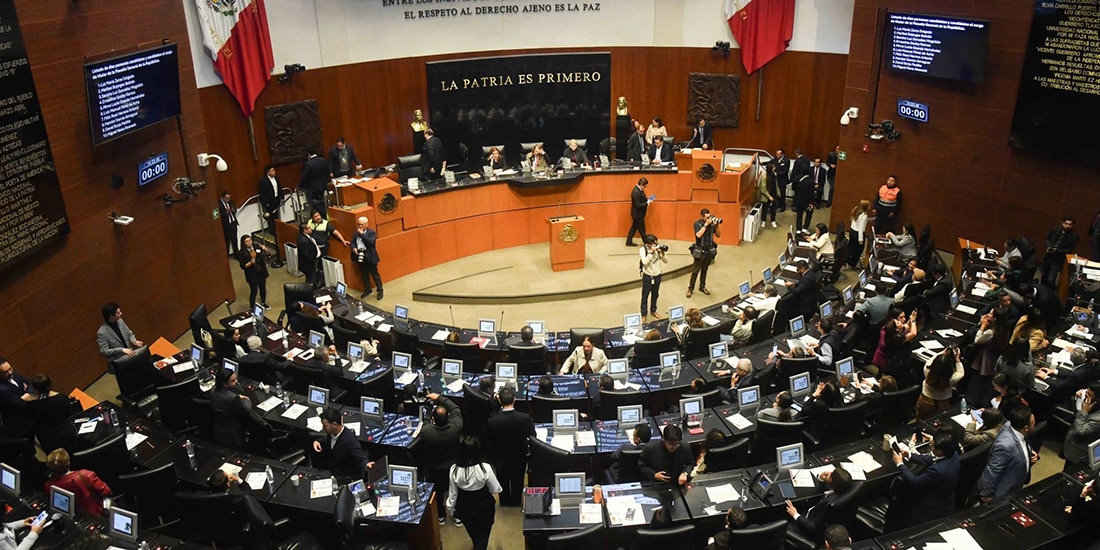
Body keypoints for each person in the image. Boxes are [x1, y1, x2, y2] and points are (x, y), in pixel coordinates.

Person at [412, 392, 464, 524]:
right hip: (453, 466)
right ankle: (457, 515)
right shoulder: (456, 427)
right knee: (455, 491)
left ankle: (441, 515)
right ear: (448, 418)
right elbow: (455, 409)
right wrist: (439, 398)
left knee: (438, 491)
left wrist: (429, 413)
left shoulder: (426, 431)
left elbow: (425, 421)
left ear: (433, 420)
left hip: (434, 468)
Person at [891, 428, 960, 525]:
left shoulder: (938, 470)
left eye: (932, 447)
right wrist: (910, 456)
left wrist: (900, 464)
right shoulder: (953, 454)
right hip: (946, 498)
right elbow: (933, 459)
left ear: (940, 451)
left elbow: (916, 482)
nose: (931, 447)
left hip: (932, 509)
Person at [446, 437, 501, 550]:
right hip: (484, 506)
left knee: (473, 532)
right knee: (484, 533)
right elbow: (495, 489)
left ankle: (477, 544)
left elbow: (453, 494)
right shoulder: (485, 468)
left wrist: (450, 509)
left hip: (464, 507)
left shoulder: (454, 469)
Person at [485, 386, 534, 506]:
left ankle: (505, 501)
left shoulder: (492, 421)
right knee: (518, 480)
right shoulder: (524, 418)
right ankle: (516, 501)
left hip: (500, 457)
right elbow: (532, 435)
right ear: (514, 400)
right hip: (519, 456)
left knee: (502, 480)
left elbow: (488, 441)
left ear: (499, 401)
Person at [978, 406, 1037, 502]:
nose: (1035, 424)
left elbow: (1022, 443)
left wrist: (1029, 451)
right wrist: (987, 494)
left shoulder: (1011, 425)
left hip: (1015, 485)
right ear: (1026, 428)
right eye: (1033, 423)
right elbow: (993, 471)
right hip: (1002, 494)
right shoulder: (1005, 446)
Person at [785, 467, 853, 540]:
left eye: (831, 475)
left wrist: (795, 515)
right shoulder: (840, 490)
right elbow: (818, 497)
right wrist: (821, 480)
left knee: (782, 526)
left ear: (832, 481)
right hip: (810, 514)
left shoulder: (828, 503)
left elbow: (812, 526)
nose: (828, 473)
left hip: (806, 529)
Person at [211, 368, 268, 450]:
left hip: (219, 430)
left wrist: (237, 394)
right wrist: (245, 399)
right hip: (233, 435)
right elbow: (246, 409)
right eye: (233, 380)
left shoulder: (214, 389)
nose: (237, 381)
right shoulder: (232, 398)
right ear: (224, 383)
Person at [44, 448, 112, 516]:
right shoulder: (86, 475)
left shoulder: (49, 485)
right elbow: (107, 491)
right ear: (68, 462)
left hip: (73, 519)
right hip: (95, 515)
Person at [311, 408, 372, 480]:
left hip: (344, 475)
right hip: (332, 469)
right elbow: (329, 439)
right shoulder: (332, 433)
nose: (323, 428)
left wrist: (366, 464)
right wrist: (318, 441)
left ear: (334, 425)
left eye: (325, 426)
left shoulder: (350, 440)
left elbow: (360, 456)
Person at [25, 374, 76, 453]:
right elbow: (69, 413)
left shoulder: (31, 405)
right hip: (66, 434)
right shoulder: (61, 397)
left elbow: (32, 420)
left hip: (48, 439)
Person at [916, 348, 964, 420]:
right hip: (943, 403)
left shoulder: (927, 370)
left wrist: (942, 353)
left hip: (925, 400)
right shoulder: (951, 379)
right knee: (939, 420)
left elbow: (932, 359)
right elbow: (961, 372)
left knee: (921, 418)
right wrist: (957, 358)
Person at [1062, 382, 1100, 471]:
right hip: (1071, 444)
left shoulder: (1098, 418)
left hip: (1080, 454)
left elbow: (1080, 431)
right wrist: (1078, 398)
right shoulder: (1091, 403)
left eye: (1089, 395)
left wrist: (1084, 412)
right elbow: (1075, 416)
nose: (1086, 396)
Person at [687, 208, 721, 298]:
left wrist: (716, 226)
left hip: (708, 251)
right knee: (695, 271)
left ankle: (702, 287)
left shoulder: (712, 225)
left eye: (710, 216)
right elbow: (698, 235)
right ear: (702, 217)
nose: (709, 218)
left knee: (705, 270)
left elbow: (718, 235)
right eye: (707, 217)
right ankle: (690, 288)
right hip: (700, 251)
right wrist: (705, 225)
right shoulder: (697, 224)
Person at [351, 216, 383, 300]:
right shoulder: (356, 233)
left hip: (370, 257)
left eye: (361, 224)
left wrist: (362, 234)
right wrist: (354, 247)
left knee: (375, 275)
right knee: (364, 275)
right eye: (358, 224)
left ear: (366, 224)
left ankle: (380, 290)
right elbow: (352, 242)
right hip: (360, 256)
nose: (359, 226)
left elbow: (371, 242)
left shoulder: (371, 232)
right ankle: (367, 289)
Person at [236, 234, 271, 309]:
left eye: (250, 240)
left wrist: (266, 250)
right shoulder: (241, 253)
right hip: (252, 274)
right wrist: (250, 263)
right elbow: (243, 266)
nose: (249, 242)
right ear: (243, 243)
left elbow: (264, 256)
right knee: (254, 291)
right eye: (247, 241)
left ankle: (263, 302)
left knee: (262, 288)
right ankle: (252, 307)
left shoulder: (256, 246)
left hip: (261, 271)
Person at [1042, 216, 1079, 287]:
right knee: (1044, 274)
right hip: (1048, 256)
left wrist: (1057, 251)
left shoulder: (1074, 236)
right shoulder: (1056, 229)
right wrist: (1049, 246)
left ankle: (1049, 292)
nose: (1067, 226)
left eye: (1070, 224)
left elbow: (1070, 250)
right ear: (1062, 223)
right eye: (1066, 224)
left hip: (1058, 259)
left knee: (1051, 278)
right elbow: (1047, 239)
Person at [640, 234, 668, 323]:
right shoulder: (643, 250)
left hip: (657, 275)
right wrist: (651, 253)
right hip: (648, 276)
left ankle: (653, 310)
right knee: (645, 296)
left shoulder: (658, 248)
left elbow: (666, 261)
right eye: (653, 244)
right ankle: (644, 314)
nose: (655, 245)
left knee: (655, 294)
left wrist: (662, 253)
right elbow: (644, 262)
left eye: (656, 243)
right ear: (648, 244)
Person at [0, 359, 31, 439]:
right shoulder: (2, 389)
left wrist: (25, 395)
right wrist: (28, 392)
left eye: (10, 369)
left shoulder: (14, 375)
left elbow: (31, 384)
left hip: (29, 418)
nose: (10, 372)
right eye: (5, 372)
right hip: (19, 425)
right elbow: (21, 404)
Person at [298, 147, 330, 217]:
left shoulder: (308, 164)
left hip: (312, 190)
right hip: (323, 187)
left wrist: (300, 186)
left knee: (314, 208)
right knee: (324, 205)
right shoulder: (323, 161)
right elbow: (328, 173)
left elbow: (304, 177)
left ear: (308, 154)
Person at [257, 165, 284, 233]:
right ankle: (272, 230)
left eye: (274, 170)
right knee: (270, 216)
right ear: (268, 172)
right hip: (269, 201)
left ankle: (277, 228)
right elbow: (262, 193)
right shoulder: (263, 181)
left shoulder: (276, 178)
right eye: (272, 171)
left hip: (276, 199)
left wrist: (282, 197)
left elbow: (279, 187)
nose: (274, 172)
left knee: (276, 214)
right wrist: (266, 203)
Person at [296, 223, 323, 288]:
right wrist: (313, 261)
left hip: (311, 263)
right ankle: (310, 292)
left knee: (312, 278)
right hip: (309, 265)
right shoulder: (304, 241)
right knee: (310, 280)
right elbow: (307, 255)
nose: (311, 229)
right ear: (305, 230)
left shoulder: (305, 236)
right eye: (309, 228)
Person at [626, 177, 650, 246]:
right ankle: (647, 243)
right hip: (637, 215)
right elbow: (638, 205)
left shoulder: (640, 190)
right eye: (645, 186)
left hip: (638, 214)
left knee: (634, 228)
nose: (645, 188)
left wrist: (648, 199)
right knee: (642, 230)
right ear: (642, 184)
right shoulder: (635, 192)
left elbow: (642, 199)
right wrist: (647, 203)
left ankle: (629, 241)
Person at [847, 200, 871, 268]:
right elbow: (861, 228)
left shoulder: (856, 210)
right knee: (858, 250)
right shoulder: (864, 216)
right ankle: (853, 264)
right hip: (858, 234)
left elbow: (856, 221)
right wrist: (860, 240)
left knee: (851, 247)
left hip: (852, 231)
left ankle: (848, 260)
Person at [218, 191, 239, 256]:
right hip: (226, 226)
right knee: (227, 241)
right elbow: (218, 215)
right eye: (226, 198)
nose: (228, 200)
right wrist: (226, 212)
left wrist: (233, 210)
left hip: (233, 223)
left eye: (229, 198)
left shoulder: (230, 202)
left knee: (235, 240)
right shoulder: (219, 204)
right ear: (222, 197)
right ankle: (226, 255)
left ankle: (237, 254)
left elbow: (234, 210)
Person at [758, 159, 777, 229]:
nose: (775, 168)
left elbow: (776, 184)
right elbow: (763, 188)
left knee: (773, 209)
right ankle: (763, 221)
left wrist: (778, 193)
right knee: (765, 209)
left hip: (774, 194)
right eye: (773, 167)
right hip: (766, 196)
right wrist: (769, 196)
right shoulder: (764, 176)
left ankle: (773, 220)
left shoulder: (774, 174)